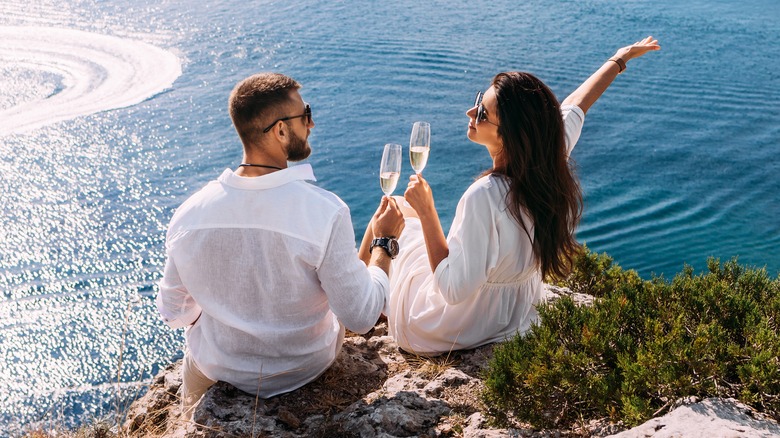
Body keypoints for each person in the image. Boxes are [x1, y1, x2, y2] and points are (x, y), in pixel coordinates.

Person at [365, 37, 661, 356]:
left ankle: (357, 307)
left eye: (481, 113)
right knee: (403, 211)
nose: (470, 112)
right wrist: (619, 59)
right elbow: (576, 105)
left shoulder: (484, 195)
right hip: (513, 317)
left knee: (392, 211)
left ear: (508, 134)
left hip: (449, 326)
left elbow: (452, 289)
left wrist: (427, 212)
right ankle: (364, 299)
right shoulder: (548, 159)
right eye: (479, 102)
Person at [156, 72, 405, 417]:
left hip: (216, 370)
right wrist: (384, 242)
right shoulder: (324, 210)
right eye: (306, 115)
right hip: (304, 368)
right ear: (281, 130)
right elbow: (361, 317)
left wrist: (226, 304)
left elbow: (174, 313)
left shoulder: (189, 215)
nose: (312, 123)